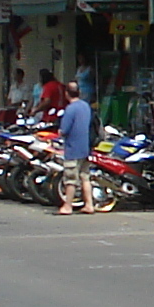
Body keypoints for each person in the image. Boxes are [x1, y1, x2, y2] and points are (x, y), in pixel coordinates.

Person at [54, 82, 99, 215]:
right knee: (85, 177)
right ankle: (89, 204)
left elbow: (64, 130)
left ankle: (68, 206)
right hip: (85, 148)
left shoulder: (70, 109)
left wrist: (60, 132)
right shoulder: (86, 106)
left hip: (73, 148)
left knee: (70, 179)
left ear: (66, 93)